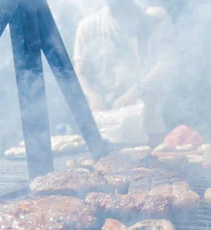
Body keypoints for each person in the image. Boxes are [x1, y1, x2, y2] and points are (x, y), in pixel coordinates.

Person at [73, 0, 175, 137]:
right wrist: (93, 97)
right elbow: (80, 73)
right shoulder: (88, 26)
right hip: (107, 126)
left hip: (149, 125)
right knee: (108, 159)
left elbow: (166, 62)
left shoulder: (154, 17)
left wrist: (136, 91)